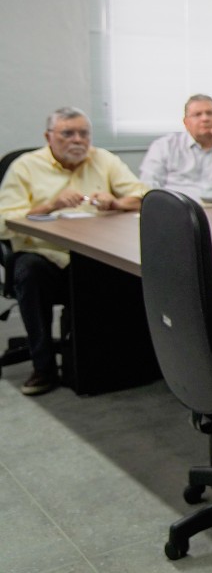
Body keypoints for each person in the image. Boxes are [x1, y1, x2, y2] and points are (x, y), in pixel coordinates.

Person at [0, 107, 148, 396]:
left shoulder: (104, 159)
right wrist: (50, 206)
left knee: (134, 266)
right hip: (46, 254)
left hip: (97, 253)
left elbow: (145, 194)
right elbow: (3, 219)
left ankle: (121, 364)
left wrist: (116, 202)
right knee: (28, 272)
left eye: (84, 133)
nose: (77, 140)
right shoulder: (26, 166)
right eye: (68, 133)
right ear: (49, 137)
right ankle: (43, 367)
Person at [138, 94, 212, 202]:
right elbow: (148, 190)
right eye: (197, 114)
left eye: (210, 113)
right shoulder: (164, 146)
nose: (205, 118)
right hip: (178, 212)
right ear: (186, 122)